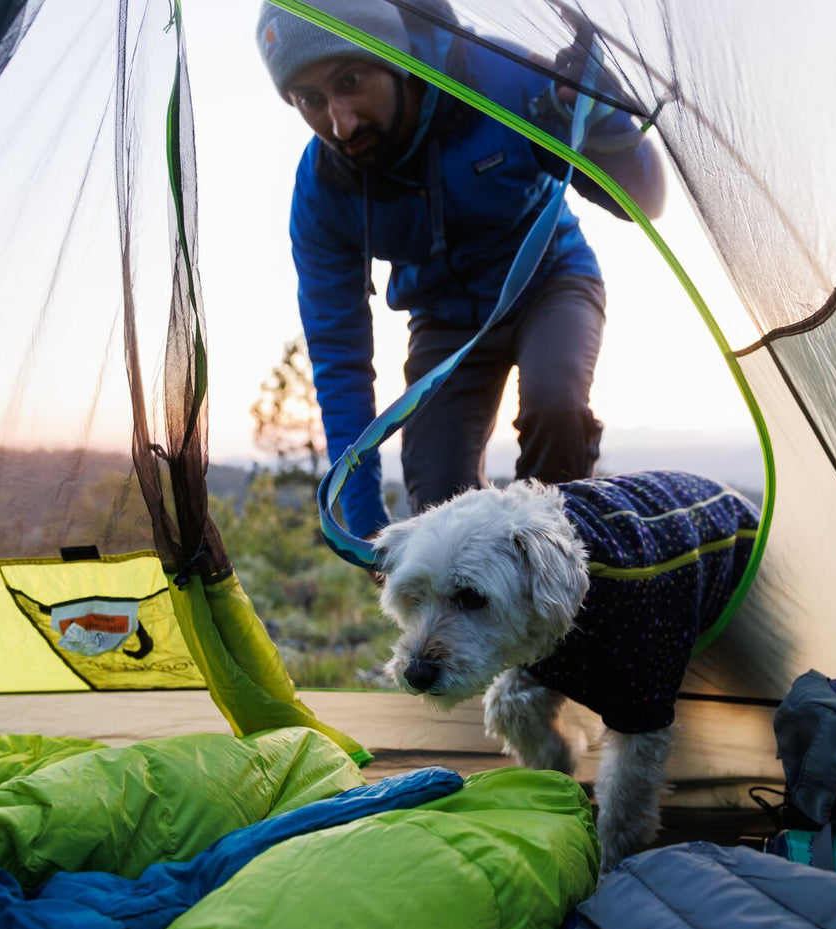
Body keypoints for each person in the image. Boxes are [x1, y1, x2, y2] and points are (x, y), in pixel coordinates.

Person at [255, 1, 666, 542]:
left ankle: (565, 590)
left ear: (392, 52)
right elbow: (339, 353)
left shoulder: (491, 77)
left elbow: (646, 197)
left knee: (556, 407)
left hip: (550, 280)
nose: (341, 122)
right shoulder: (323, 189)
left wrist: (598, 117)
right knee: (437, 501)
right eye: (309, 100)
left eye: (350, 80)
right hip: (445, 321)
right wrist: (361, 519)